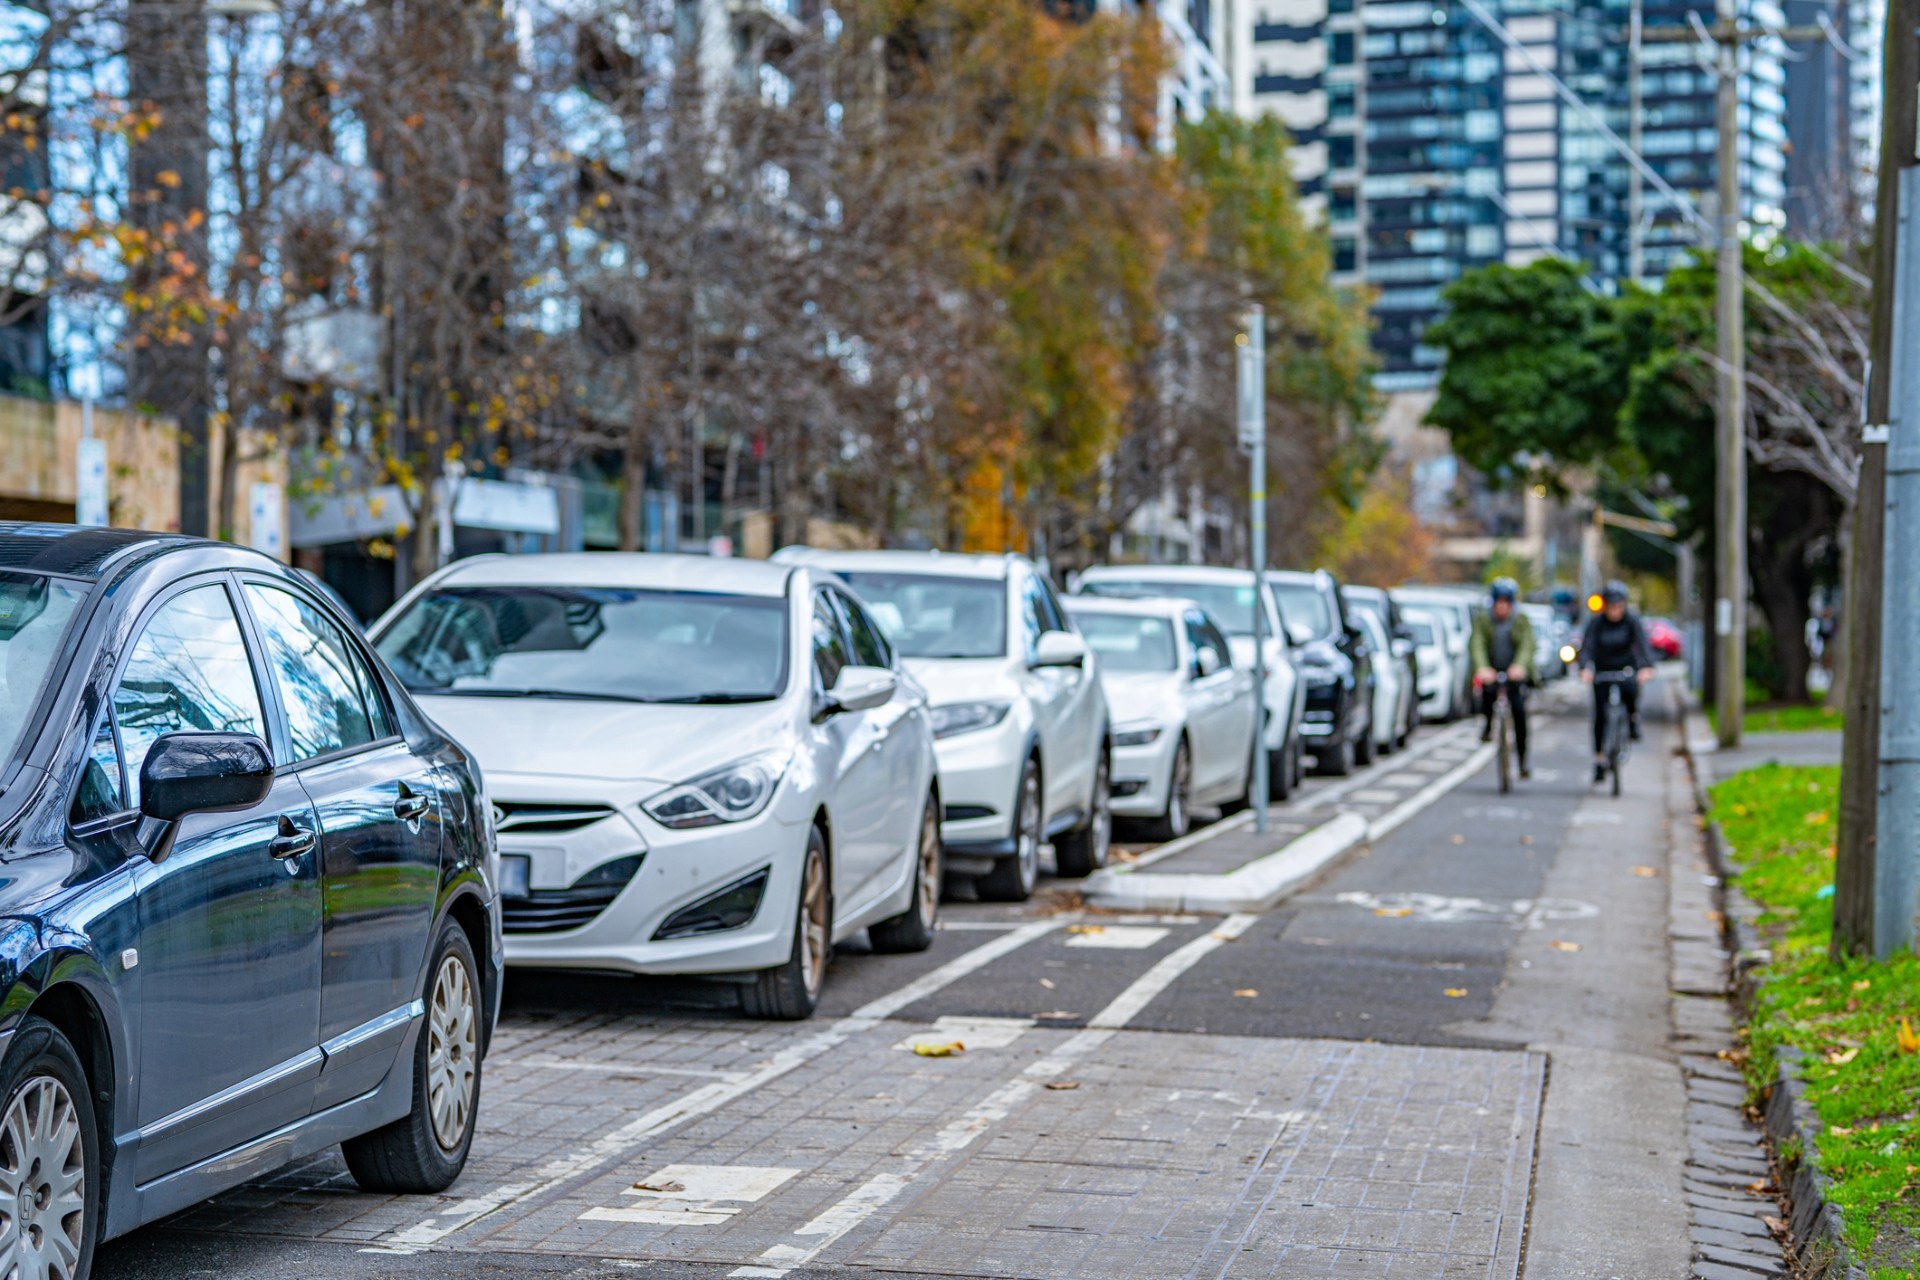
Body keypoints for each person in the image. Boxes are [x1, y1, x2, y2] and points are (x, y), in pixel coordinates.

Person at [1578, 580, 1656, 783]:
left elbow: (1642, 645)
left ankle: (1632, 719)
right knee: (1600, 715)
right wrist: (1585, 668)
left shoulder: (1632, 621)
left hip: (1626, 668)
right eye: (1611, 606)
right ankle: (1599, 759)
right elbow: (1587, 647)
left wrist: (1647, 667)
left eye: (1618, 606)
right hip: (1602, 670)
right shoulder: (1596, 623)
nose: (1615, 611)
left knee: (1631, 692)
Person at [1470, 578, 1535, 778]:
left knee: (1519, 712)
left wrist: (1520, 666)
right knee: (1487, 696)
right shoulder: (1484, 619)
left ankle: (1523, 760)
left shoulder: (1521, 620)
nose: (1502, 608)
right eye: (1499, 603)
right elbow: (1477, 644)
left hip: (1514, 671)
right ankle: (1488, 727)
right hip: (1492, 669)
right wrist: (1482, 668)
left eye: (1506, 603)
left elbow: (1527, 645)